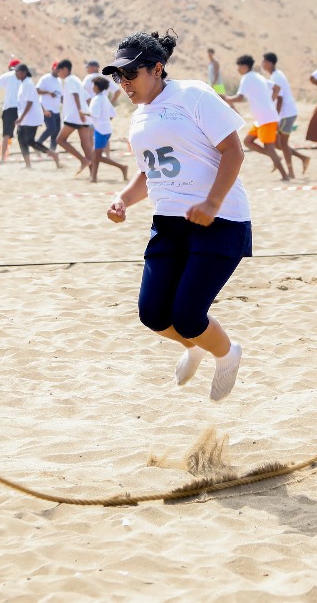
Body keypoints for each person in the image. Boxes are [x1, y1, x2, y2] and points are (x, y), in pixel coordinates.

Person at [104, 31, 249, 402]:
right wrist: (123, 199)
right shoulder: (138, 118)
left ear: (157, 68)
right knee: (153, 314)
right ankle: (196, 347)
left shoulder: (193, 95)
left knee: (187, 315)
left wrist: (213, 203)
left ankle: (227, 353)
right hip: (168, 223)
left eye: (130, 74)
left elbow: (233, 150)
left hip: (219, 221)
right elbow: (149, 173)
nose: (124, 83)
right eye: (118, 77)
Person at [225, 55, 289, 180]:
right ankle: (275, 158)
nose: (238, 69)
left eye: (239, 66)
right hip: (263, 118)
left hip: (266, 118)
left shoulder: (247, 78)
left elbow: (240, 97)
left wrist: (226, 98)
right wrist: (270, 102)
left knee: (269, 147)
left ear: (244, 66)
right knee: (248, 142)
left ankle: (285, 176)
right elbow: (276, 88)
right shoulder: (257, 76)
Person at [263, 52, 310, 177]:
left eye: (264, 61)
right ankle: (303, 158)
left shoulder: (276, 77)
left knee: (282, 143)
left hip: (286, 114)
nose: (263, 64)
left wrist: (276, 117)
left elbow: (280, 99)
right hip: (287, 113)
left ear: (270, 63)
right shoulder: (277, 75)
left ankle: (291, 172)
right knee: (279, 144)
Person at [14, 64, 60, 168]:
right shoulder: (23, 83)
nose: (16, 73)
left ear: (24, 72)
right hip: (24, 117)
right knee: (21, 140)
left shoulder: (28, 84)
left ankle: (53, 154)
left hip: (31, 118)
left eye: (18, 71)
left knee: (30, 141)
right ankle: (28, 165)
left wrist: (21, 117)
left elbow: (30, 102)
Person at [55, 59, 94, 173]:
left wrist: (80, 111)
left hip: (75, 115)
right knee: (85, 145)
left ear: (65, 69)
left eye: (59, 70)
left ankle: (83, 160)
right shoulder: (77, 80)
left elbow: (76, 95)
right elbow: (87, 98)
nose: (58, 73)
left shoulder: (69, 80)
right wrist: (85, 112)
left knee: (60, 140)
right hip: (83, 116)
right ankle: (93, 174)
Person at [88, 75, 130, 182]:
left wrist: (83, 112)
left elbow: (94, 115)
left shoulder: (97, 99)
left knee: (97, 156)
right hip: (106, 130)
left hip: (100, 131)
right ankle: (93, 177)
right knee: (95, 155)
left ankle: (122, 167)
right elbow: (112, 114)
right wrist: (105, 121)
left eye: (93, 86)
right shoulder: (104, 98)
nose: (92, 88)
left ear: (97, 87)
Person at [35, 62, 63, 151]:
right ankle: (38, 143)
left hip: (56, 110)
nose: (57, 70)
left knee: (57, 131)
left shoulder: (60, 81)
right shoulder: (46, 78)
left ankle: (52, 149)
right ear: (53, 68)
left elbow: (61, 95)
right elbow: (37, 90)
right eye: (56, 68)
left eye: (59, 69)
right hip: (47, 108)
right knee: (51, 128)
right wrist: (48, 93)